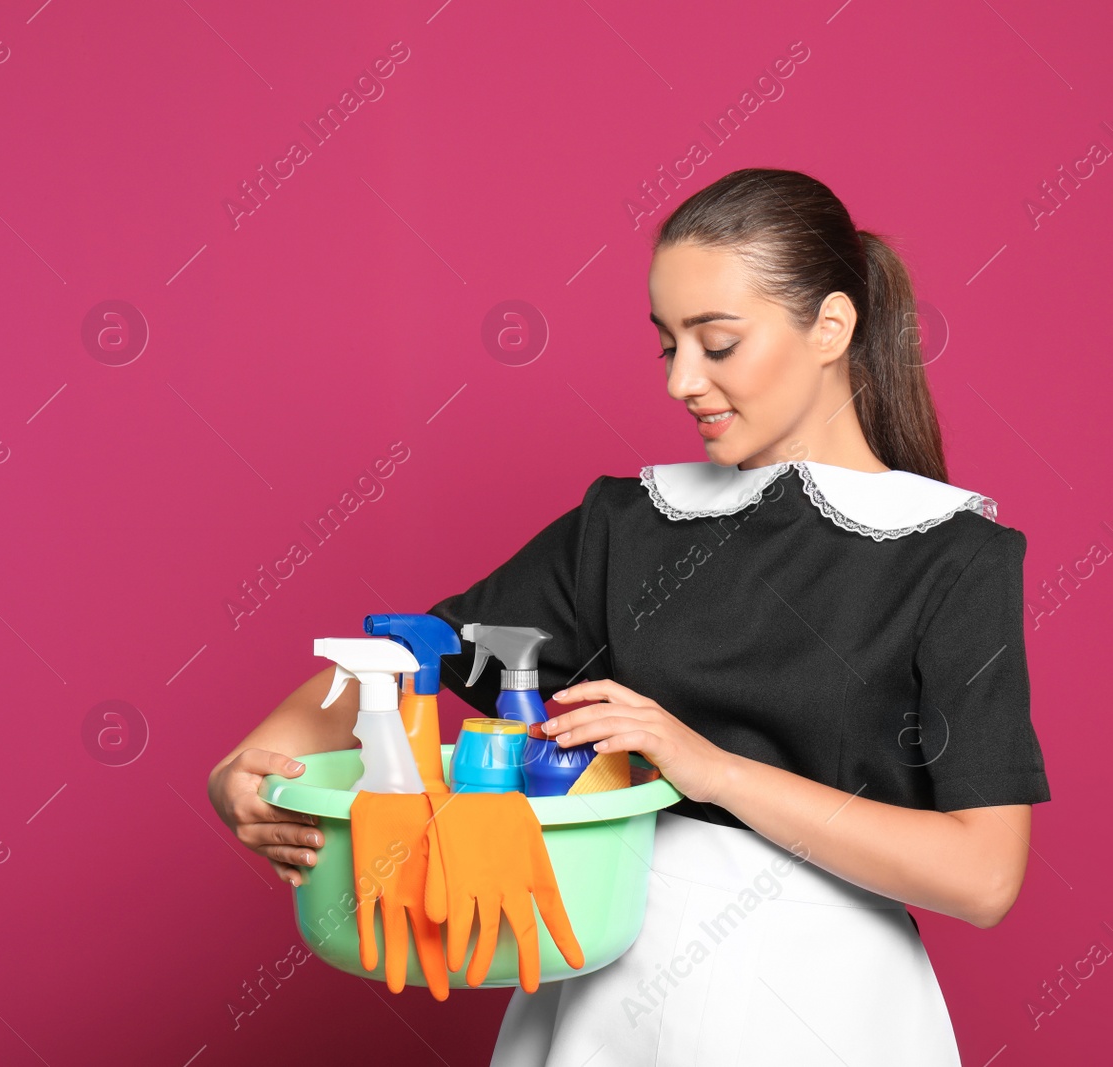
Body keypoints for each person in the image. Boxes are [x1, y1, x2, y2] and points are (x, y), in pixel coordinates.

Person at [207, 167, 1050, 1064]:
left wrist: (708, 767)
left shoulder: (951, 552)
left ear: (831, 327)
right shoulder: (628, 524)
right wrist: (248, 770)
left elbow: (984, 874)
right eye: (666, 345)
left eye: (717, 343)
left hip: (826, 1006)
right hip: (608, 994)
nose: (683, 380)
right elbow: (401, 658)